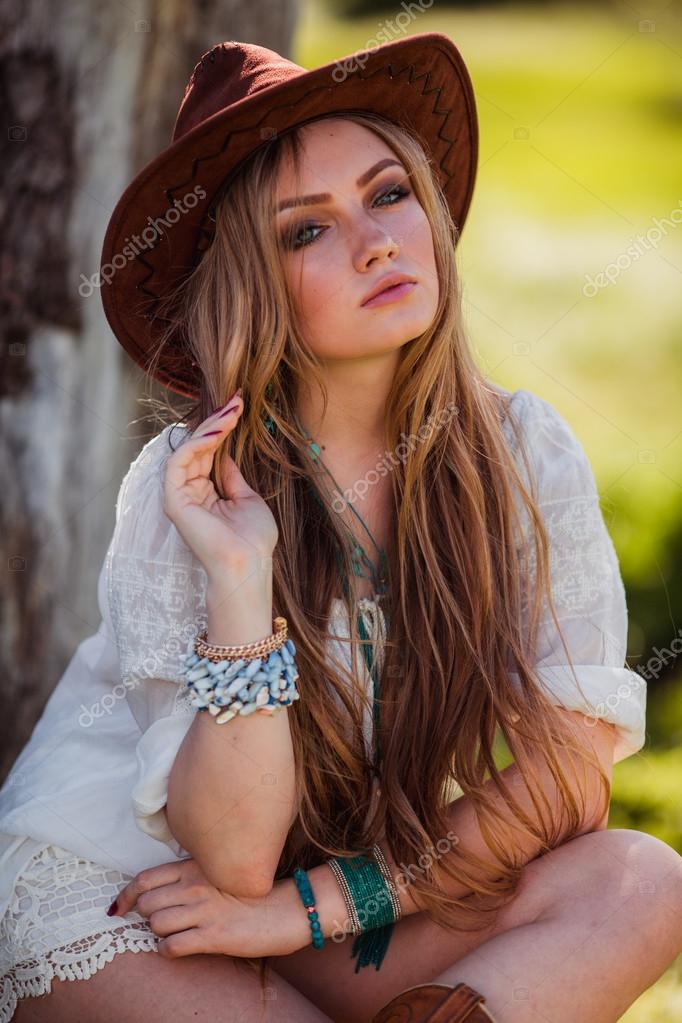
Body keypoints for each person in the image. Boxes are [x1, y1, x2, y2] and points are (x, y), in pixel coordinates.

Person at [1, 33, 679, 1023]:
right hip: (134, 901)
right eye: (304, 231)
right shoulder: (193, 484)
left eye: (389, 192)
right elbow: (228, 857)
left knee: (641, 882)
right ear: (253, 284)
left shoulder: (523, 453)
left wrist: (310, 911)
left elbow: (562, 780)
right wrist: (241, 577)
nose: (374, 240)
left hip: (315, 906)